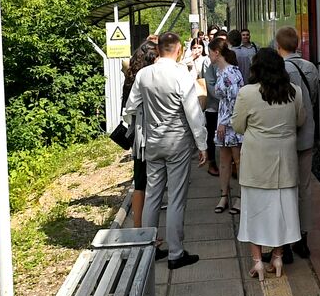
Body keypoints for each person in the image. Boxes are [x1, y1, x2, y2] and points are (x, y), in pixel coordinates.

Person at [122, 31, 207, 271]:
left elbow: (131, 107)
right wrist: (202, 145)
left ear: (158, 49)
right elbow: (193, 112)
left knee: (153, 195)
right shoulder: (180, 74)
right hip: (177, 142)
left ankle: (151, 248)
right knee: (176, 198)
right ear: (179, 49)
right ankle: (176, 253)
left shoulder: (143, 75)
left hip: (152, 142)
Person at [232, 48, 306, 280]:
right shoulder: (294, 91)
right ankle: (278, 257)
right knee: (282, 213)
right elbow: (299, 120)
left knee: (254, 212)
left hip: (256, 163)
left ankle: (258, 262)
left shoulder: (247, 93)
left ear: (256, 68)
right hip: (285, 163)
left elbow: (238, 126)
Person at [275, 26, 318, 260]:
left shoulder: (281, 69)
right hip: (306, 136)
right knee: (305, 187)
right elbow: (312, 98)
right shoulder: (310, 67)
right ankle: (304, 237)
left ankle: (287, 240)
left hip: (286, 137)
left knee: (285, 188)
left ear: (278, 46)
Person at [121, 42, 159, 231]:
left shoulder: (130, 77)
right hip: (146, 136)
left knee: (139, 182)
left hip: (137, 137)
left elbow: (127, 110)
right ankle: (143, 231)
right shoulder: (145, 79)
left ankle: (137, 227)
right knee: (147, 183)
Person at [208, 42, 245, 214]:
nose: (209, 56)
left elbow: (237, 101)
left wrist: (225, 121)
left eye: (210, 53)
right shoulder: (220, 71)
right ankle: (224, 195)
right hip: (223, 121)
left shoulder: (232, 72)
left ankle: (242, 197)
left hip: (232, 123)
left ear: (217, 53)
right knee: (224, 160)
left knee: (238, 162)